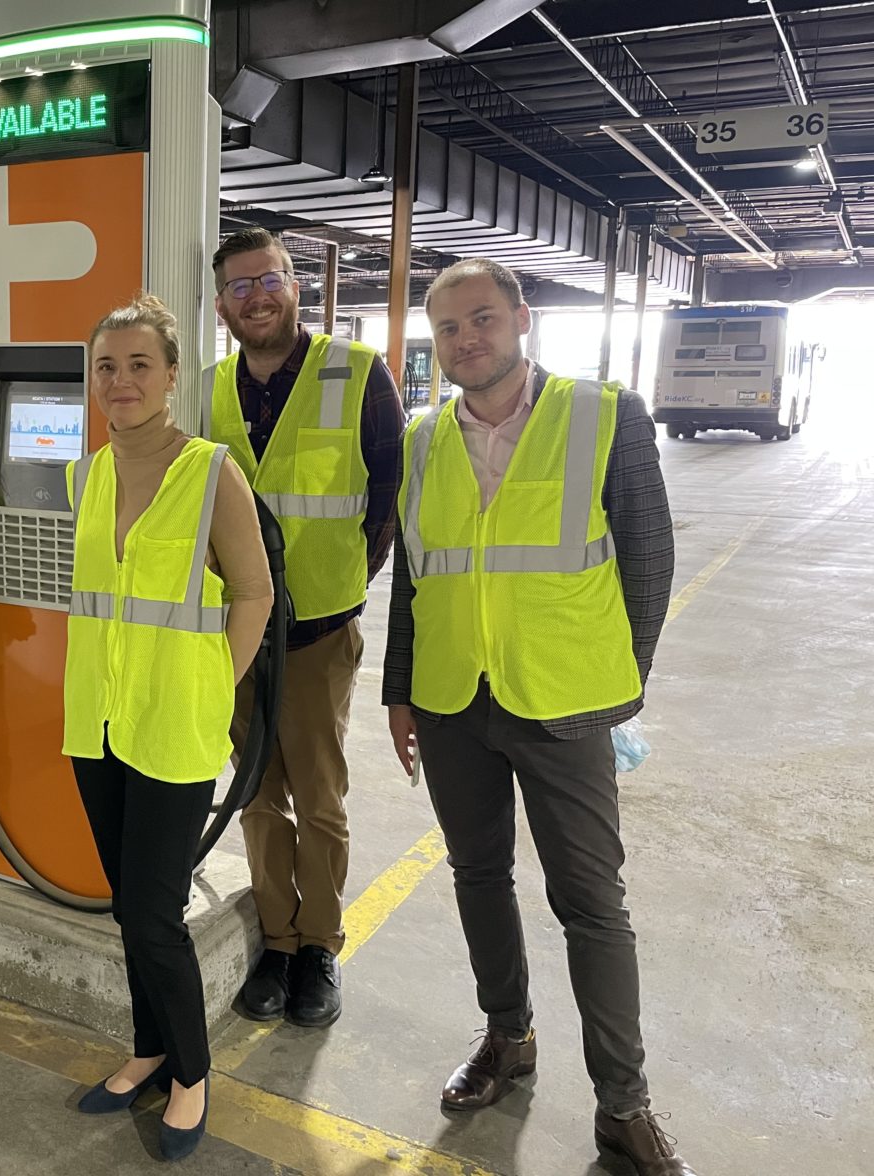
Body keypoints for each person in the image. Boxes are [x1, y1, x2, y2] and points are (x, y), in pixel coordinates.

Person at [384, 259, 692, 1175]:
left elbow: (648, 558)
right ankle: (507, 1037)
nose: (466, 339)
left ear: (521, 318)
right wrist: (400, 689)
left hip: (564, 703)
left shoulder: (604, 414)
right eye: (447, 328)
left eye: (481, 318)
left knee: (592, 903)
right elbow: (413, 575)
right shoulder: (422, 439)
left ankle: (623, 1105)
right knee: (478, 875)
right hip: (452, 700)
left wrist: (617, 680)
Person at [65, 293, 272, 1162]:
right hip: (98, 720)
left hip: (175, 724)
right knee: (128, 906)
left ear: (172, 376)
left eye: (138, 365)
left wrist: (213, 688)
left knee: (155, 913)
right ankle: (148, 1049)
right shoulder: (88, 473)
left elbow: (253, 593)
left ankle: (191, 1072)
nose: (121, 381)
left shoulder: (210, 471)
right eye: (106, 367)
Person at [202, 227, 406, 1027]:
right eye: (240, 286)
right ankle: (278, 941)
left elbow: (385, 500)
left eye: (270, 280)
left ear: (296, 287)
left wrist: (342, 583)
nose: (256, 297)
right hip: (234, 630)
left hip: (319, 631)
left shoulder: (358, 373)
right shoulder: (209, 390)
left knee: (319, 797)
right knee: (256, 795)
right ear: (222, 306)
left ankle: (320, 943)